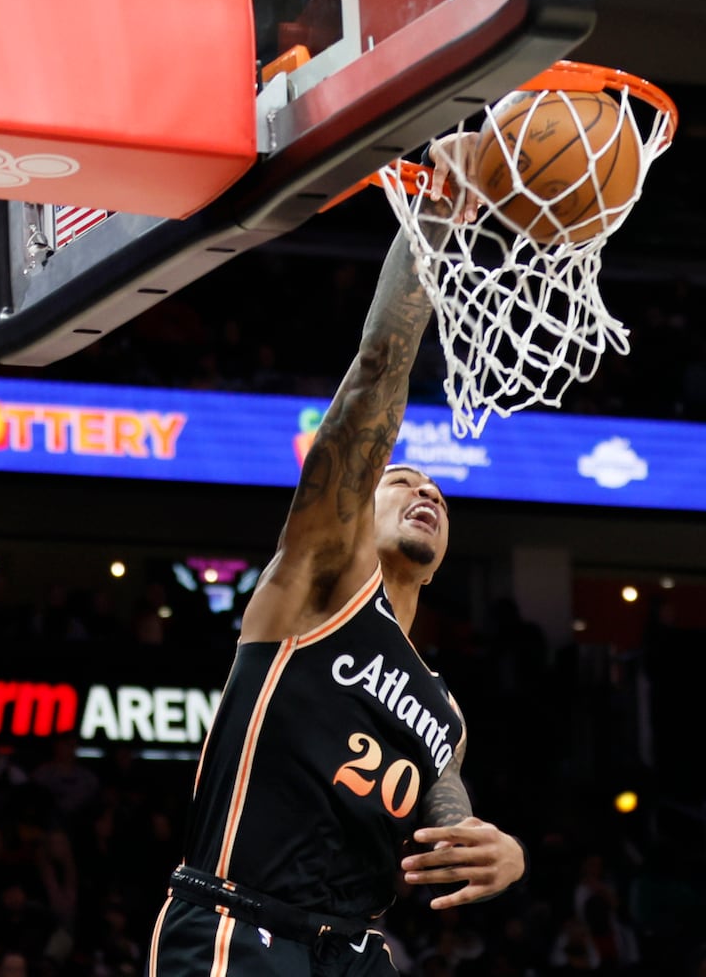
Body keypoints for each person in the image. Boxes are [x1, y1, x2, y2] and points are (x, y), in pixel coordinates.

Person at [149, 135, 526, 977]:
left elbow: (447, 818)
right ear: (358, 509)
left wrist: (501, 852)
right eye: (401, 479)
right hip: (238, 923)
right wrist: (433, 221)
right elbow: (376, 377)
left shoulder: (445, 712)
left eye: (440, 492)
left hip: (354, 949)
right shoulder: (320, 583)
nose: (426, 490)